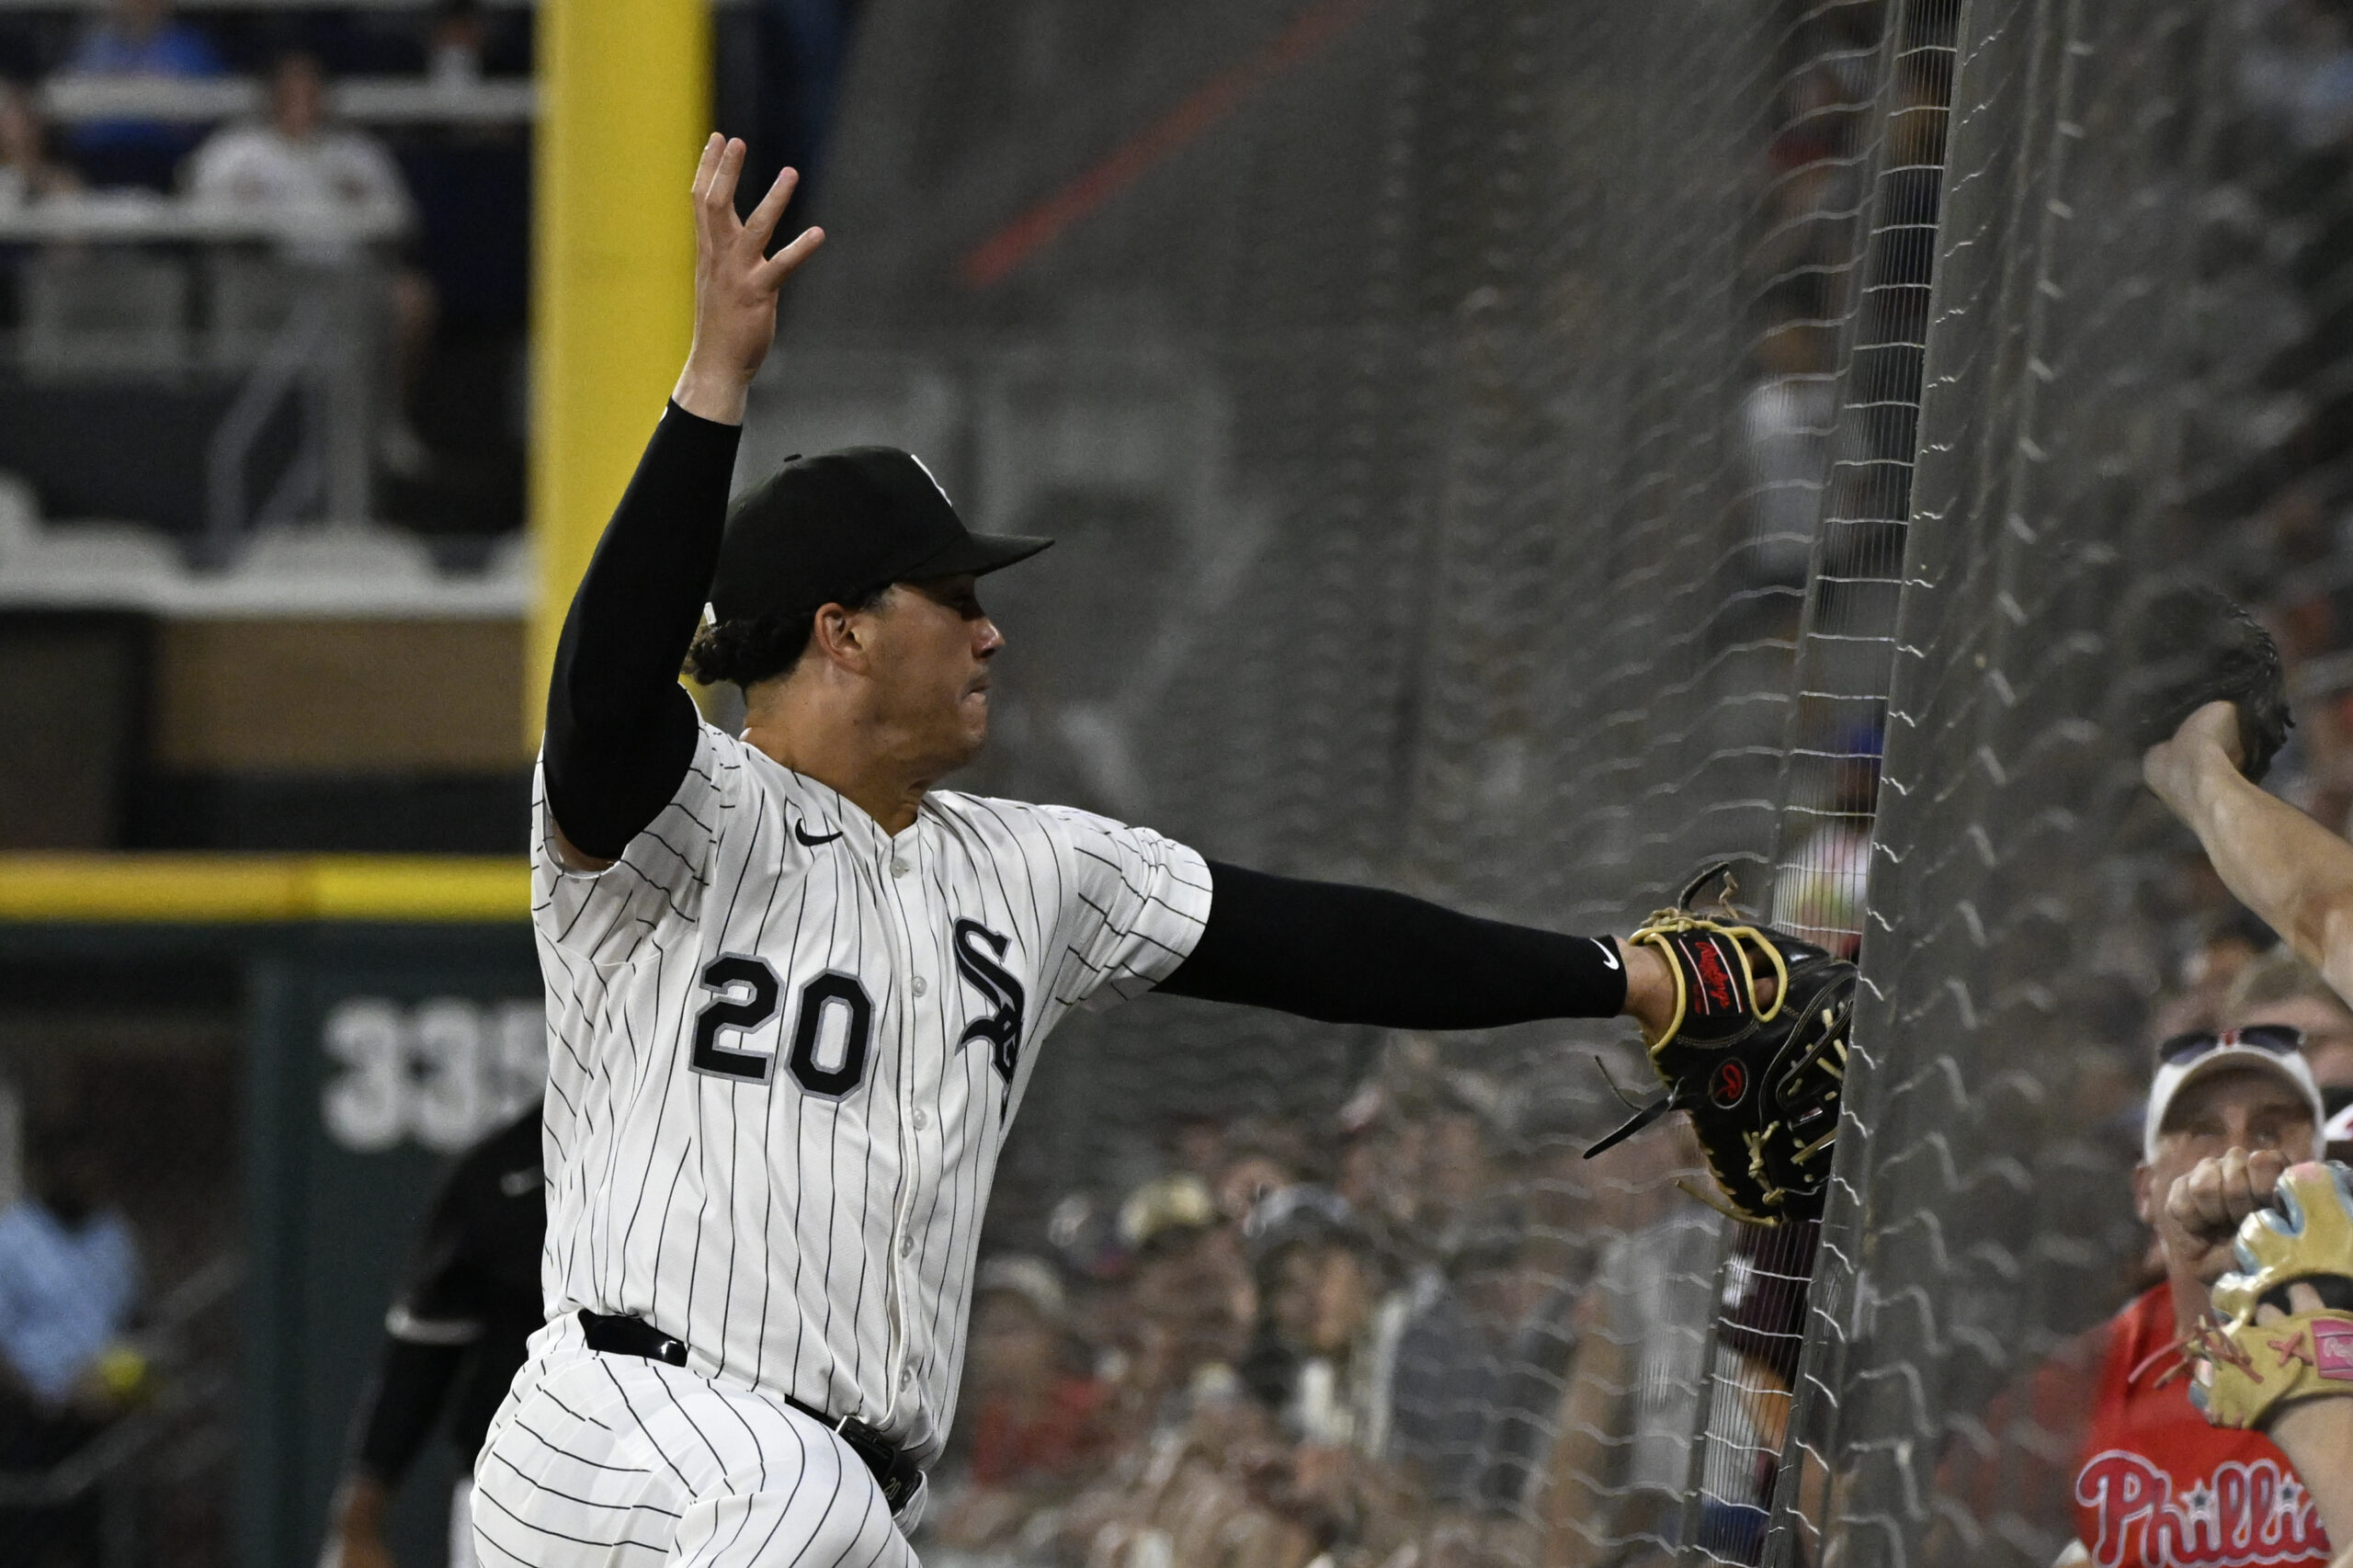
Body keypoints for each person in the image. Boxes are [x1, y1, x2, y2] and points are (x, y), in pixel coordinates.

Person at [469, 136, 1703, 1568]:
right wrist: (713, 388)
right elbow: (606, 690)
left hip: (808, 1488)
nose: (990, 629)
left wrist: (1621, 978)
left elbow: (1321, 942)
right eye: (951, 593)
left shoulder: (1041, 871)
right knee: (816, 1509)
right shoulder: (682, 813)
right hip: (634, 1427)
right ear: (841, 628)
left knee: (836, 1516)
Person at [2048, 1027, 2334, 1567]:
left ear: (2322, 1172)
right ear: (2144, 1190)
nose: (2237, 1155)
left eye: (2271, 1130)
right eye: (2203, 1131)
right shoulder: (2083, 1379)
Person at [184, 51, 434, 474]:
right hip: (267, 276)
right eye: (291, 93)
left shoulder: (355, 153)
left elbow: (402, 221)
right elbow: (199, 215)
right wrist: (242, 209)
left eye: (311, 93)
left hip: (347, 278)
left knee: (411, 298)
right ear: (271, 99)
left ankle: (385, 423)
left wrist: (362, 203)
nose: (302, 102)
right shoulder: (236, 150)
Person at [323, 1104, 543, 1568]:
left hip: (690, 1474)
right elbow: (421, 1358)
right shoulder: (500, 1166)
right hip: (514, 1481)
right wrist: (359, 1518)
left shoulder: (710, 1152)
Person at [0, 1119, 142, 1568]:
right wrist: (44, 1397)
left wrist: (123, 1386)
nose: (87, 1176)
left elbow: (131, 1322)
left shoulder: (113, 1237)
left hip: (101, 1416)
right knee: (30, 1539)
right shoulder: (14, 1238)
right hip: (31, 1419)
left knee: (97, 1541)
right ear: (51, 1170)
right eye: (75, 1165)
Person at [57, 0, 223, 191]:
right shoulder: (94, 46)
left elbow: (206, 114)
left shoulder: (189, 47)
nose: (137, 5)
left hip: (164, 160)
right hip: (95, 158)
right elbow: (69, 112)